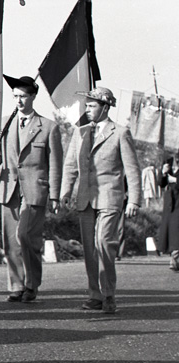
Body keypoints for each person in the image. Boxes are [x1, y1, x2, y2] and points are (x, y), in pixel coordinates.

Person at [61, 87, 141, 314]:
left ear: (105, 108)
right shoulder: (80, 132)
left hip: (110, 197)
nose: (87, 110)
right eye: (86, 106)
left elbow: (132, 169)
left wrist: (134, 200)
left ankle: (108, 294)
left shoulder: (121, 133)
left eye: (92, 106)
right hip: (85, 198)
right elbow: (70, 165)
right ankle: (94, 295)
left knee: (104, 242)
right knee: (89, 248)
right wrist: (65, 192)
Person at [0, 75, 62, 303]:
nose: (19, 100)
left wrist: (55, 195)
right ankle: (16, 286)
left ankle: (32, 284)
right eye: (15, 96)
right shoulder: (4, 124)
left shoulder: (49, 127)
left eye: (23, 96)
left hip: (35, 189)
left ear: (33, 96)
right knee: (11, 241)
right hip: (8, 188)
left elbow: (55, 164)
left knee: (25, 236)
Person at [157, 158, 179, 271]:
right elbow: (161, 183)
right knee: (171, 232)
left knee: (176, 232)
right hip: (170, 205)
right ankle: (174, 259)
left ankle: (175, 260)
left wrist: (175, 180)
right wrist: (164, 173)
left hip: (178, 204)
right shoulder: (169, 168)